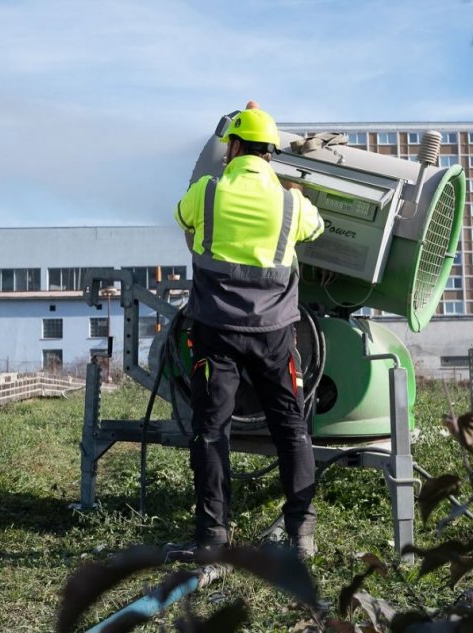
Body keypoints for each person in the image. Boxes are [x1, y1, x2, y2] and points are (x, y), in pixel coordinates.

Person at [175, 101, 325, 559]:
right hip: (275, 335)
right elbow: (315, 231)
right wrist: (295, 197)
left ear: (234, 147)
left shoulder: (205, 192)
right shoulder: (290, 202)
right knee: (290, 426)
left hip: (215, 332)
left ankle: (213, 537)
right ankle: (301, 531)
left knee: (211, 430)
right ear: (270, 154)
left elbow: (183, 218)